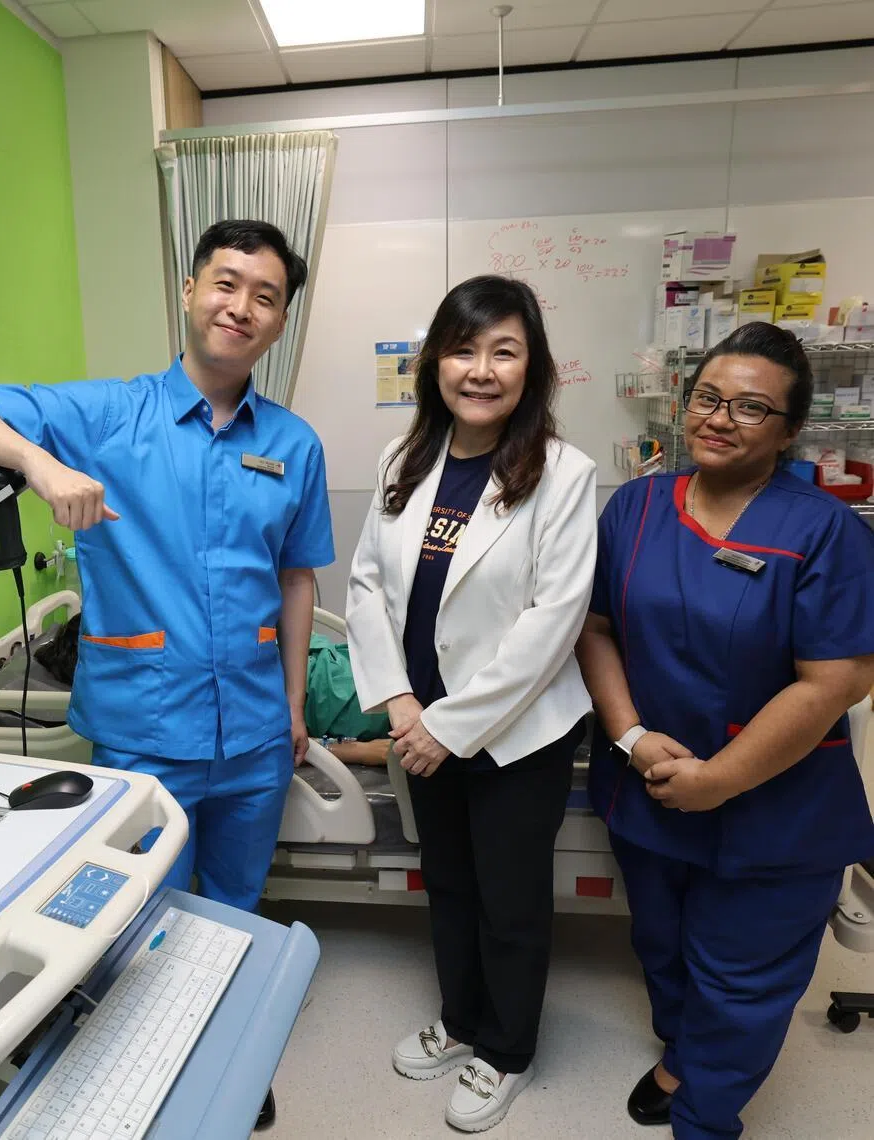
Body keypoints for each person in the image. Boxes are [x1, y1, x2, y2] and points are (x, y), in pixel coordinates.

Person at [0, 219, 335, 916]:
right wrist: (39, 463)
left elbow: (297, 578)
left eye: (265, 297)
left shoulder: (294, 444)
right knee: (142, 911)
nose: (241, 307)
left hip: (256, 731)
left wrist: (295, 706)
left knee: (238, 900)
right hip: (144, 731)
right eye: (226, 284)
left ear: (279, 324)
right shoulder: (109, 416)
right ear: (189, 292)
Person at [576, 322, 874, 1140]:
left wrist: (723, 779)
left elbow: (837, 679)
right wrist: (631, 735)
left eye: (751, 408)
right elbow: (596, 628)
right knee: (663, 945)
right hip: (652, 787)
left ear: (787, 430)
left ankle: (704, 1115)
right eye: (708, 398)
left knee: (740, 976)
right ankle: (682, 1054)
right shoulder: (635, 507)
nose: (720, 418)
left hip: (777, 808)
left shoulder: (826, 532)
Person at [345, 275, 597, 1132]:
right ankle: (460, 1022)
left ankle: (508, 1050)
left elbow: (551, 625)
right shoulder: (401, 458)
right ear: (434, 362)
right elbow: (368, 587)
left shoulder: (563, 475)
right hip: (420, 728)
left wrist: (448, 728)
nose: (480, 370)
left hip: (515, 735)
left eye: (504, 351)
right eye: (463, 348)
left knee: (511, 898)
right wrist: (402, 707)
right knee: (446, 881)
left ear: (533, 367)